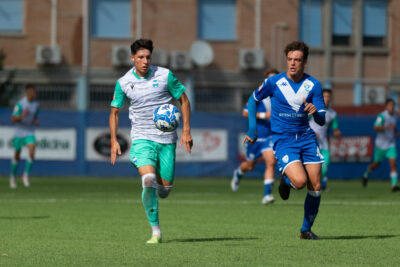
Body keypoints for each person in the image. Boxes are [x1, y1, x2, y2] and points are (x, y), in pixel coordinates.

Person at [109, 39, 193, 244]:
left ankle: (160, 190)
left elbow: (183, 100)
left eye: (148, 57)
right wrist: (113, 140)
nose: (145, 61)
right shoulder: (123, 82)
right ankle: (156, 231)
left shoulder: (164, 75)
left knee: (164, 190)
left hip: (166, 141)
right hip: (141, 138)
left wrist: (186, 131)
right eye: (140, 57)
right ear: (132, 59)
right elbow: (114, 112)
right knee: (147, 180)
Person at [243, 41, 326, 240]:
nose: (292, 63)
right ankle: (285, 180)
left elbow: (322, 120)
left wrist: (315, 113)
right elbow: (252, 100)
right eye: (289, 59)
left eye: (297, 60)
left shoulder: (313, 85)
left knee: (315, 186)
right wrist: (252, 128)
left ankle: (305, 230)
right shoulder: (274, 82)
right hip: (284, 139)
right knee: (299, 182)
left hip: (306, 138)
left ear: (305, 62)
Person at [231, 68, 279, 205]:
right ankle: (239, 173)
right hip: (256, 137)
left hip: (270, 137)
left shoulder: (281, 97)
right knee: (250, 165)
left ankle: (267, 195)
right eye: (270, 79)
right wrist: (264, 115)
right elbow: (245, 113)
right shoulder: (259, 95)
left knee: (271, 162)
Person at [362, 98, 400, 192]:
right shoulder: (382, 116)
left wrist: (396, 132)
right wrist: (386, 127)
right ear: (386, 106)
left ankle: (394, 185)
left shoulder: (395, 116)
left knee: (393, 164)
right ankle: (366, 174)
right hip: (381, 145)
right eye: (390, 105)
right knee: (376, 164)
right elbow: (376, 127)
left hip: (390, 144)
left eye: (393, 105)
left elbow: (393, 126)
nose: (392, 107)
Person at [309, 89, 341, 191]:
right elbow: (302, 122)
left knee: (324, 167)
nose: (326, 99)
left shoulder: (333, 114)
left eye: (328, 96)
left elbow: (334, 128)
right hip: (310, 143)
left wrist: (336, 132)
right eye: (324, 96)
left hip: (323, 145)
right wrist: (311, 132)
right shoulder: (313, 109)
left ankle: (319, 185)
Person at [10, 84, 39, 189]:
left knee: (32, 150)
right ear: (27, 92)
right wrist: (23, 115)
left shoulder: (36, 104)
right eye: (32, 92)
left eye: (34, 92)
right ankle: (12, 176)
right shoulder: (20, 104)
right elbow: (13, 119)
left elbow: (35, 114)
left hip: (29, 131)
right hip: (19, 132)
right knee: (17, 155)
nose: (33, 94)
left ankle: (25, 175)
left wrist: (36, 120)